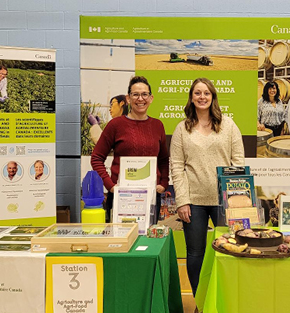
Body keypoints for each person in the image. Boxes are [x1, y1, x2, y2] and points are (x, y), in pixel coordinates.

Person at [170, 77, 244, 296]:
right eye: (197, 93)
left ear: (213, 97)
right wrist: (182, 200)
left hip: (225, 202)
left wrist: (237, 199)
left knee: (229, 250)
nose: (202, 97)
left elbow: (238, 162)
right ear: (191, 98)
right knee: (195, 254)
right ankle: (200, 301)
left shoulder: (229, 125)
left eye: (206, 93)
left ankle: (225, 299)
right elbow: (176, 166)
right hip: (194, 203)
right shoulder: (182, 128)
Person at [91, 76, 170, 222]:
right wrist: (110, 186)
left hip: (151, 196)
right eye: (135, 95)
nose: (140, 99)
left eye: (144, 94)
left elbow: (164, 159)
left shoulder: (157, 125)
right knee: (121, 241)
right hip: (121, 196)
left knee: (148, 241)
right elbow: (96, 158)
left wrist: (164, 183)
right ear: (128, 98)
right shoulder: (115, 125)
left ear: (151, 98)